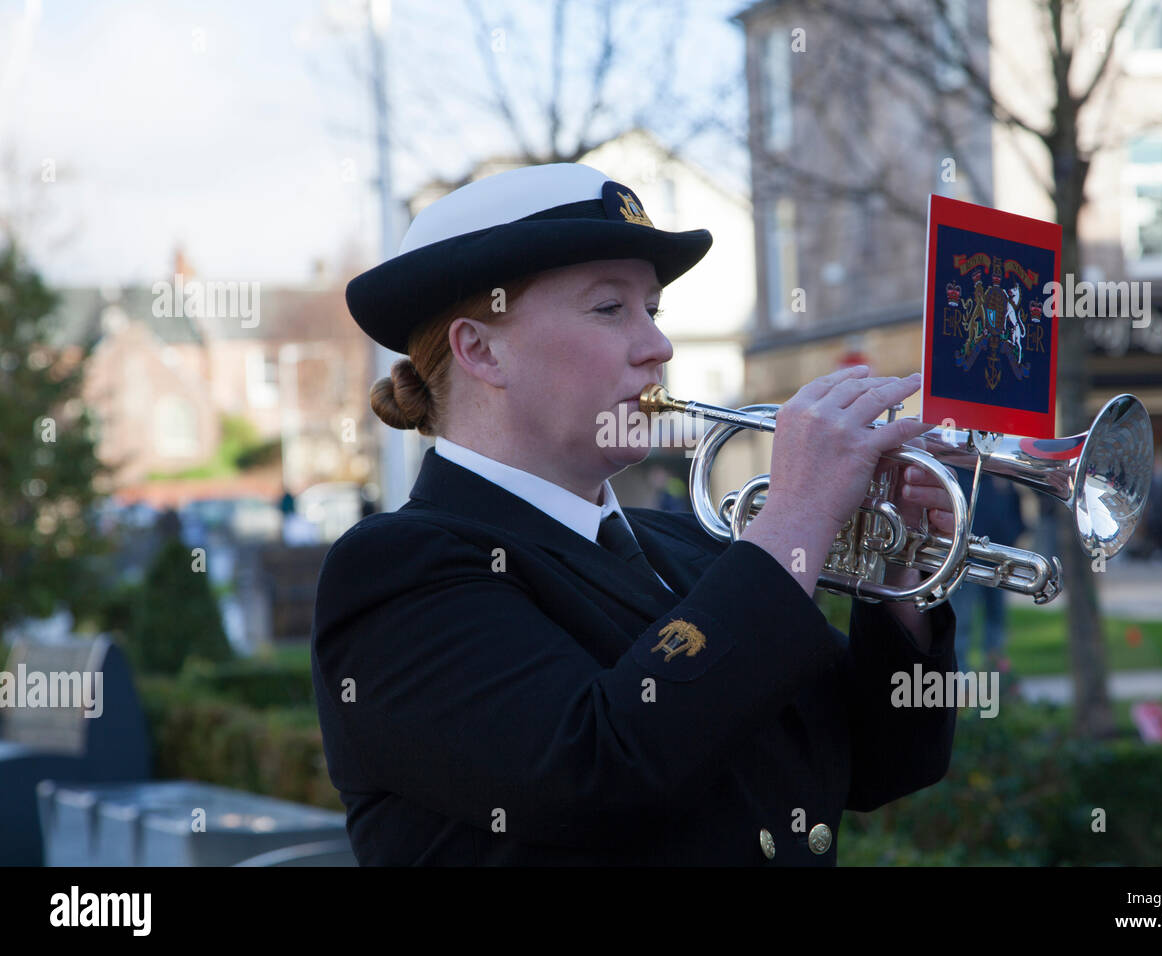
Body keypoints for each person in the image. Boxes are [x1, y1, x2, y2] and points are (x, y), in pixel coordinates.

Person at [311, 162, 959, 866]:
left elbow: (882, 764)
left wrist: (903, 579)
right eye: (609, 308)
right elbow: (601, 771)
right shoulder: (396, 570)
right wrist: (795, 518)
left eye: (652, 308)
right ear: (481, 350)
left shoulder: (689, 544)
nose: (658, 345)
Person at [946, 471, 1025, 672]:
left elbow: (1013, 510)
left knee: (996, 618)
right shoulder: (961, 475)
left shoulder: (999, 476)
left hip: (998, 560)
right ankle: (958, 672)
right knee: (961, 619)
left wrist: (1012, 537)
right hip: (967, 560)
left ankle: (995, 671)